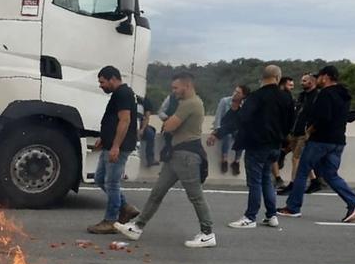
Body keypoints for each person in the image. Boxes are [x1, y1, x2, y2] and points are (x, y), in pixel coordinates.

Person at [117, 74, 217, 248]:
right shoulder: (187, 103)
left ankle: (208, 233)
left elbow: (169, 126)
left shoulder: (190, 104)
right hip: (176, 155)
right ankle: (137, 226)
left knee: (196, 196)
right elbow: (168, 126)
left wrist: (169, 122)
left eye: (176, 88)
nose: (173, 91)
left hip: (187, 156)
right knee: (157, 192)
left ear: (187, 86)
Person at [276, 65, 355, 221]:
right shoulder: (344, 94)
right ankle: (354, 202)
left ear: (326, 77)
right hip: (338, 141)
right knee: (330, 174)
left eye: (318, 77)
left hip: (321, 140)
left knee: (302, 171)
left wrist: (310, 130)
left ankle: (293, 207)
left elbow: (323, 117)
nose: (316, 80)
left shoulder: (325, 94)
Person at [229, 64, 295, 229]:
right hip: (275, 145)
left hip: (257, 144)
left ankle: (250, 216)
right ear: (278, 77)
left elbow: (243, 118)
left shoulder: (256, 96)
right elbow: (290, 123)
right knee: (267, 180)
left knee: (255, 181)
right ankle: (271, 215)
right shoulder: (286, 97)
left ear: (262, 78)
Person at [87, 66, 140, 234]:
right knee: (100, 178)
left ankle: (111, 220)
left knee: (111, 182)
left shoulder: (123, 94)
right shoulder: (119, 94)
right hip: (110, 144)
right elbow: (113, 120)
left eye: (102, 82)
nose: (101, 85)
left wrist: (116, 146)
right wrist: (105, 138)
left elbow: (125, 120)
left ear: (112, 79)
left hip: (119, 146)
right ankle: (125, 207)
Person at [215, 84, 246, 173]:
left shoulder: (244, 105)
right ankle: (224, 160)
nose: (235, 93)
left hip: (235, 128)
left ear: (243, 95)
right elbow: (218, 116)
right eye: (235, 91)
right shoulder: (225, 101)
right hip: (224, 128)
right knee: (227, 136)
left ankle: (236, 161)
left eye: (238, 92)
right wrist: (217, 129)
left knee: (241, 137)